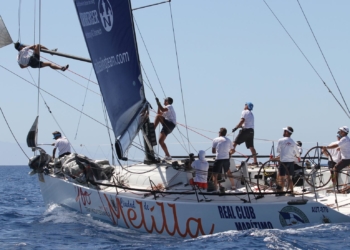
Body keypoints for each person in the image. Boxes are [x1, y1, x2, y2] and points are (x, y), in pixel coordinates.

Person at [271, 126, 300, 195]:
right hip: (291, 162)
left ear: (286, 132)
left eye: (284, 131)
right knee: (289, 178)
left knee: (281, 177)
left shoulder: (281, 140)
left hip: (283, 162)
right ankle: (291, 192)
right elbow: (297, 153)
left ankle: (281, 192)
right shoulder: (293, 142)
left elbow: (278, 151)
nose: (283, 132)